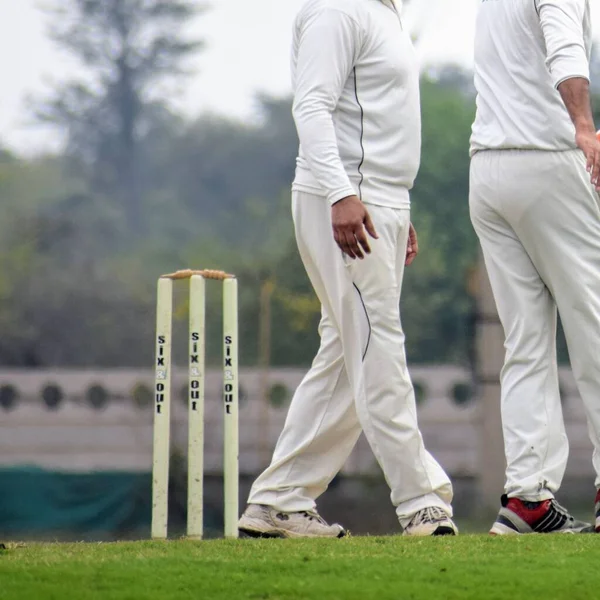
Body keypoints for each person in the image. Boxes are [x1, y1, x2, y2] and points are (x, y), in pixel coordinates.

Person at [237, 0, 457, 539]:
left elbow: (376, 121)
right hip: (344, 199)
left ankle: (279, 500)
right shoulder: (337, 10)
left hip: (378, 200)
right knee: (378, 346)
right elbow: (311, 107)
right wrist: (342, 194)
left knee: (346, 353)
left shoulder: (384, 14)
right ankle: (420, 500)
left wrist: (397, 212)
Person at [470, 0, 600, 534]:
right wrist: (586, 127)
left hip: (488, 168)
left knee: (525, 342)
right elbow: (565, 49)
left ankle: (527, 498)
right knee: (594, 325)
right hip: (546, 160)